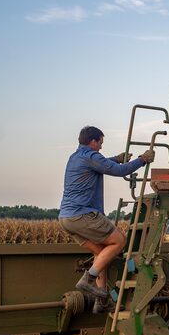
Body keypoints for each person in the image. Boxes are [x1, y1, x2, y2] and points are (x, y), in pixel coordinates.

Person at [58, 125, 154, 313]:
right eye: (100, 142)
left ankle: (101, 301)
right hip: (82, 214)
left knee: (101, 252)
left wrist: (116, 159)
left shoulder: (76, 157)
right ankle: (88, 280)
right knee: (119, 241)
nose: (101, 146)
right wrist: (142, 160)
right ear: (93, 141)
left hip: (66, 218)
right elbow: (120, 171)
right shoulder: (91, 156)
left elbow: (102, 164)